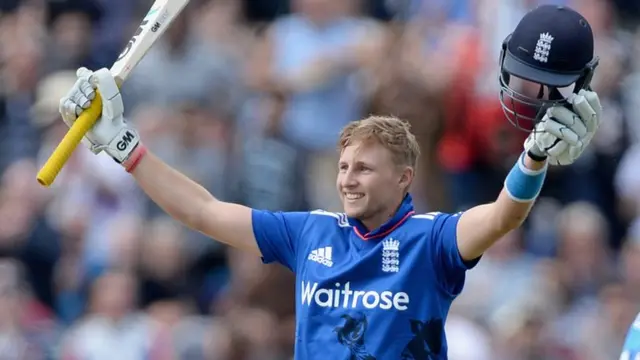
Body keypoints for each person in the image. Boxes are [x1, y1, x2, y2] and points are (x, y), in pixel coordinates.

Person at [56, 4, 602, 359]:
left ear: (404, 179)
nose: (347, 180)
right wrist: (124, 144)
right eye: (343, 167)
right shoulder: (309, 233)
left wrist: (533, 159)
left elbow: (505, 213)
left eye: (364, 169)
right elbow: (200, 210)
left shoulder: (432, 242)